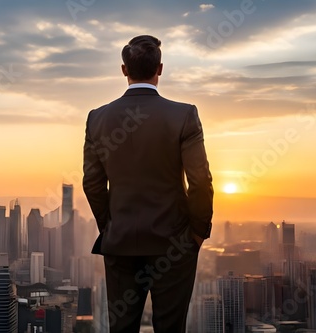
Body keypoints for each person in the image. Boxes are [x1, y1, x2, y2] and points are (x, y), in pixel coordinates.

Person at [82, 35, 214, 333]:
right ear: (160, 68)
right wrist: (196, 233)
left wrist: (110, 226)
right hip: (175, 244)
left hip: (121, 241)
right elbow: (200, 181)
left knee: (122, 327)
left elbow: (92, 182)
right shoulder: (183, 115)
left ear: (124, 70)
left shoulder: (98, 118)